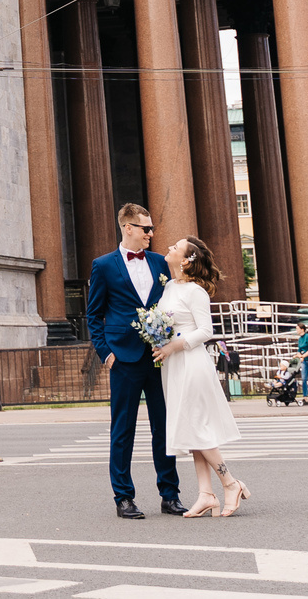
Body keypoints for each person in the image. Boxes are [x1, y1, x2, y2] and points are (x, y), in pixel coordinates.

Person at [86, 203, 183, 518]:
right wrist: (107, 354)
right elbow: (94, 314)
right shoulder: (103, 265)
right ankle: (123, 498)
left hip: (158, 357)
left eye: (151, 228)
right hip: (123, 359)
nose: (151, 234)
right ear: (128, 228)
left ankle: (170, 495)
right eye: (146, 228)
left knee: (163, 428)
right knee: (123, 430)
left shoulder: (160, 263)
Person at [151, 236, 248, 517]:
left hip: (191, 363)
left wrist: (173, 345)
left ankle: (230, 483)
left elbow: (206, 331)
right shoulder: (169, 286)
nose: (168, 248)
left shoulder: (196, 292)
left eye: (174, 248)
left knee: (197, 427)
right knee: (191, 428)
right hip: (173, 366)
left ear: (184, 261)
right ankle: (206, 493)